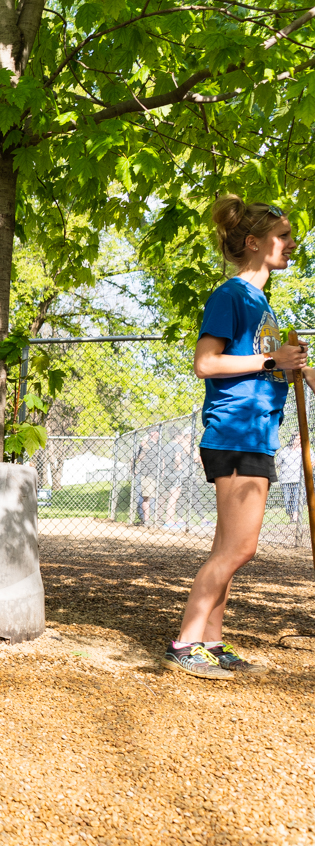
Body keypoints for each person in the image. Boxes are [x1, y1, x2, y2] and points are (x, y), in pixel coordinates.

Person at [166, 195, 311, 679]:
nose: (292, 243)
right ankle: (186, 643)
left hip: (256, 433)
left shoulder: (261, 304)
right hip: (235, 432)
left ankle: (211, 641)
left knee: (227, 548)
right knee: (240, 549)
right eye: (283, 236)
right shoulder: (230, 296)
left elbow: (269, 370)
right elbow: (206, 363)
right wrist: (273, 359)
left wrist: (296, 368)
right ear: (253, 242)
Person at [160, 427, 194, 531]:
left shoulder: (166, 446)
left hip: (166, 475)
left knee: (169, 498)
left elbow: (163, 461)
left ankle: (169, 520)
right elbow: (177, 459)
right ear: (178, 436)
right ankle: (169, 521)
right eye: (182, 435)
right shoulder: (178, 446)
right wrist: (178, 466)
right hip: (175, 475)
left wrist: (163, 472)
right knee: (173, 499)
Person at [275, 432, 307, 536]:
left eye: (300, 439)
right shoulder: (284, 451)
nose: (299, 441)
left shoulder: (303, 450)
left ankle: (295, 517)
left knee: (297, 498)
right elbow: (278, 463)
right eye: (297, 439)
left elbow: (312, 460)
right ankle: (291, 515)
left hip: (299, 479)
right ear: (292, 439)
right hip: (286, 480)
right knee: (288, 500)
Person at [130, 427, 162, 526]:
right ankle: (146, 520)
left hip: (156, 475)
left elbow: (162, 459)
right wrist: (133, 469)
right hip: (147, 474)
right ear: (152, 433)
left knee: (155, 497)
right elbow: (135, 458)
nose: (159, 433)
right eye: (157, 431)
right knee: (146, 497)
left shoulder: (159, 445)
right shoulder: (146, 444)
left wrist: (162, 471)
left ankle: (155, 519)